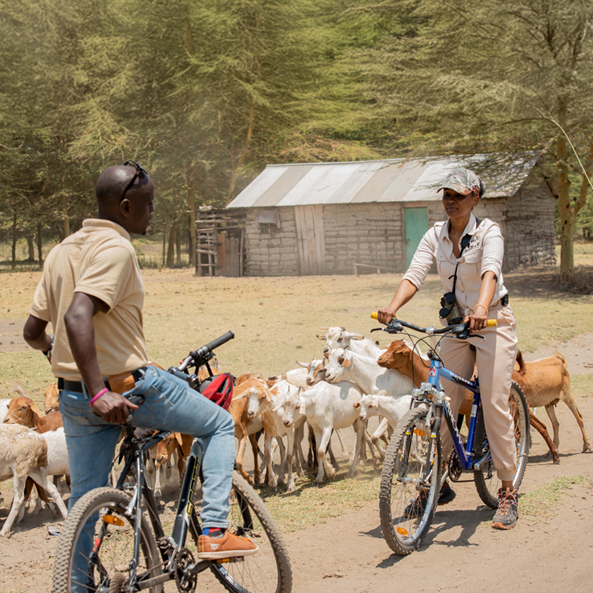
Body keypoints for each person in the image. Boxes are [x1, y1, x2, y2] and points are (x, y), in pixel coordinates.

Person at [23, 162, 257, 584]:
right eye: (149, 205)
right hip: (126, 390)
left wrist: (65, 364)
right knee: (220, 424)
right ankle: (216, 533)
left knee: (84, 506)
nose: (154, 213)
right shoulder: (116, 249)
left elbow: (33, 331)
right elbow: (78, 313)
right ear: (126, 206)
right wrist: (98, 389)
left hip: (72, 400)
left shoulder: (61, 251)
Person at [377, 167, 519, 530]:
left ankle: (506, 489)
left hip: (491, 323)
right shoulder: (434, 236)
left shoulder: (489, 232)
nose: (450, 202)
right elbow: (414, 275)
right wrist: (393, 308)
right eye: (446, 195)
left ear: (475, 198)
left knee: (492, 400)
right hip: (456, 325)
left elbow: (490, 271)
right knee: (442, 400)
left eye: (458, 195)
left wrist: (483, 309)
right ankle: (434, 481)